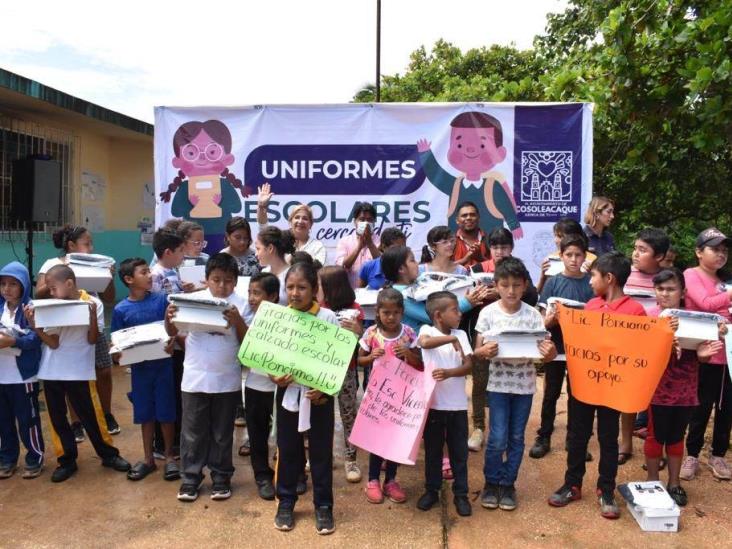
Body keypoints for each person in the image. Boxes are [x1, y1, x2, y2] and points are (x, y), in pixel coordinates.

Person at [548, 251, 645, 519]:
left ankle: (606, 489)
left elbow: (639, 348)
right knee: (578, 435)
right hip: (584, 385)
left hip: (612, 388)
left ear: (609, 278)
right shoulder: (590, 306)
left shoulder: (635, 311)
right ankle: (572, 484)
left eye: (594, 275)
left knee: (607, 438)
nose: (590, 281)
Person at [27, 265, 130, 482]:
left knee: (92, 416)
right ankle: (67, 460)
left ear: (70, 284)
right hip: (52, 371)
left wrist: (91, 317)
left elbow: (92, 339)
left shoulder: (94, 304)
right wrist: (35, 326)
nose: (51, 293)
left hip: (79, 371)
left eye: (53, 288)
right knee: (57, 419)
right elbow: (53, 343)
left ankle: (108, 454)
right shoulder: (53, 306)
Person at [473, 258, 557, 511]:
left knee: (517, 437)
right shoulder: (487, 313)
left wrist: (550, 352)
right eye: (505, 285)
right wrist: (484, 350)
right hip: (497, 385)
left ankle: (508, 483)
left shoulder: (533, 315)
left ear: (525, 286)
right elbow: (477, 350)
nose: (511, 290)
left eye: (516, 285)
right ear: (496, 285)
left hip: (524, 386)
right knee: (497, 437)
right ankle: (491, 481)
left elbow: (546, 352)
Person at [166, 253, 247, 502]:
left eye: (228, 281)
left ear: (235, 281)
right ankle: (190, 478)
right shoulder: (191, 301)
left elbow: (248, 343)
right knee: (192, 432)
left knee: (222, 432)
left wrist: (238, 321)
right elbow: (172, 330)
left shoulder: (242, 304)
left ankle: (221, 477)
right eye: (217, 279)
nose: (222, 286)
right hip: (194, 377)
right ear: (207, 279)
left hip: (227, 379)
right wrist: (168, 317)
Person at [645, 268, 725, 506]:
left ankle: (674, 483)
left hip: (686, 389)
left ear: (683, 292)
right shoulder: (648, 317)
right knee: (654, 436)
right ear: (654, 291)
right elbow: (641, 354)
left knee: (677, 437)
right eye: (660, 289)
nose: (665, 293)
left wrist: (704, 353)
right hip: (655, 389)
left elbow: (703, 356)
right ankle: (651, 481)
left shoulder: (696, 320)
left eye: (671, 289)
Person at [36, 224, 121, 439]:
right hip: (65, 324)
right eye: (86, 243)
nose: (91, 248)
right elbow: (40, 293)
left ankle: (106, 414)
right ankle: (76, 422)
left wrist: (108, 275)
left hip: (92, 319)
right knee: (72, 376)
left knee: (103, 370)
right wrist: (65, 271)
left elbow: (109, 298)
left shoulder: (96, 263)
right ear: (71, 245)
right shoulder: (53, 263)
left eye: (91, 243)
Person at [272, 263, 338, 535]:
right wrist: (274, 375)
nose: (295, 293)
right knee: (288, 450)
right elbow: (268, 356)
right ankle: (286, 501)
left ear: (314, 289)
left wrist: (324, 389)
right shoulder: (277, 317)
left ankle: (323, 506)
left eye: (302, 287)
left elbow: (337, 360)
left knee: (321, 452)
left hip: (319, 396)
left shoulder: (328, 318)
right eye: (290, 287)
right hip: (288, 392)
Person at [467, 228, 538, 453]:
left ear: (511, 248)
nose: (500, 251)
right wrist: (478, 297)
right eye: (495, 247)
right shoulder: (477, 269)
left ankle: (503, 430)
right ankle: (478, 427)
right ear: (489, 248)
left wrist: (498, 294)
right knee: (480, 381)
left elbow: (533, 296)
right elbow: (464, 299)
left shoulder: (518, 270)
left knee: (505, 385)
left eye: (504, 246)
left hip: (514, 340)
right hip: (482, 331)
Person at [111, 258, 179, 482]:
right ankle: (148, 459)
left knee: (167, 412)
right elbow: (116, 342)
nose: (149, 275)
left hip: (163, 366)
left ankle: (169, 456)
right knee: (145, 415)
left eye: (149, 271)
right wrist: (117, 354)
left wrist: (171, 338)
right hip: (140, 371)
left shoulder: (161, 301)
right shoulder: (121, 310)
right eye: (143, 272)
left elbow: (171, 330)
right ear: (129, 279)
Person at [530, 235, 594, 460]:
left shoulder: (591, 283)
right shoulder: (553, 282)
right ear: (561, 256)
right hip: (555, 347)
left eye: (578, 255)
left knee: (577, 396)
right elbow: (541, 318)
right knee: (551, 393)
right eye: (569, 255)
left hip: (581, 349)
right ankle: (544, 436)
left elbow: (597, 318)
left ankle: (574, 440)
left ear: (585, 257)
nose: (574, 259)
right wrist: (552, 320)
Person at [358, 288, 422, 504]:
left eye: (395, 312)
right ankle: (373, 480)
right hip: (377, 397)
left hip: (401, 397)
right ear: (377, 312)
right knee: (377, 440)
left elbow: (419, 364)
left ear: (402, 312)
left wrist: (409, 354)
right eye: (386, 312)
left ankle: (391, 480)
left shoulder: (409, 334)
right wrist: (370, 357)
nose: (391, 317)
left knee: (395, 439)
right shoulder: (371, 334)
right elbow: (359, 360)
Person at [417, 112, 522, 238]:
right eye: (460, 145)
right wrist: (425, 155)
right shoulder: (455, 185)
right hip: (460, 252)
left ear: (500, 153)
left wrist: (514, 225)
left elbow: (506, 206)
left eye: (482, 146)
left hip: (489, 250)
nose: (470, 150)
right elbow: (435, 175)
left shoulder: (493, 186)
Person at [416, 291, 475, 517]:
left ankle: (461, 494)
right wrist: (452, 339)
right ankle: (432, 490)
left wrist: (450, 372)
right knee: (432, 452)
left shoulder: (462, 333)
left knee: (459, 453)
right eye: (455, 310)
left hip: (457, 406)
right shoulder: (427, 330)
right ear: (439, 315)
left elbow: (469, 366)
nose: (460, 314)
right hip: (434, 406)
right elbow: (425, 343)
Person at [680, 228, 732, 481]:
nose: (721, 254)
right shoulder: (690, 275)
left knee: (727, 406)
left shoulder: (727, 280)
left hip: (728, 353)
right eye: (715, 249)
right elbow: (705, 303)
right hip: (703, 353)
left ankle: (718, 454)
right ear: (699, 252)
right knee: (700, 405)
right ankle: (691, 453)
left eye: (724, 250)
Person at [619, 228, 670, 465]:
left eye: (643, 250)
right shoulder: (623, 275)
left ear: (659, 256)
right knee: (628, 397)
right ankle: (625, 443)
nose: (635, 254)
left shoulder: (668, 279)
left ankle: (655, 448)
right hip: (627, 346)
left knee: (655, 400)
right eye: (635, 248)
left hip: (656, 348)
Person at [159, 119, 248, 254]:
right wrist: (193, 204)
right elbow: (176, 211)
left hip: (221, 235)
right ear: (178, 161)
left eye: (212, 152)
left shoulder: (224, 184)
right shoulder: (185, 186)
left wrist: (218, 203)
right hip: (192, 239)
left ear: (227, 158)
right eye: (191, 153)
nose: (201, 159)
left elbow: (237, 207)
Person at [318, 266, 364, 484]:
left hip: (347, 370)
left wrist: (358, 330)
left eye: (320, 284)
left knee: (348, 413)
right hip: (321, 370)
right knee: (321, 413)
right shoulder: (318, 309)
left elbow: (363, 344)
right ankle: (320, 455)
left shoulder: (355, 309)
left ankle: (351, 458)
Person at [0, 262, 44, 479]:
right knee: (3, 421)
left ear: (24, 286)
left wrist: (12, 341)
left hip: (23, 376)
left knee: (28, 420)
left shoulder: (31, 309)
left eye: (13, 284)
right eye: (3, 284)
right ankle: (7, 459)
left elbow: (36, 339)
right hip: (1, 376)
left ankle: (35, 457)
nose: (7, 289)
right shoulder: (0, 308)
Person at [150, 228, 191, 460]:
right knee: (167, 394)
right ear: (168, 252)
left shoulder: (172, 272)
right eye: (180, 251)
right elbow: (159, 313)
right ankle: (162, 442)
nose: (183, 256)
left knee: (176, 392)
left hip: (179, 343)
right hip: (168, 344)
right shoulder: (156, 276)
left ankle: (175, 439)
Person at [380, 246, 487, 332]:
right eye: (412, 261)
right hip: (418, 350)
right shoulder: (399, 296)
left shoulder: (420, 281)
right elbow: (430, 316)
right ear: (401, 269)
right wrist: (466, 303)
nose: (417, 263)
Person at [241, 272, 280, 500]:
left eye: (257, 293)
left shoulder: (286, 320)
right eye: (249, 293)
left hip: (280, 388)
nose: (251, 298)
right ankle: (262, 475)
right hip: (255, 386)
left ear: (273, 296)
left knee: (286, 434)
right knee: (257, 434)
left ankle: (288, 474)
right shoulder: (249, 319)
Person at [257, 183, 327, 265]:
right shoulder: (280, 240)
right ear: (290, 221)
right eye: (297, 217)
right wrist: (261, 207)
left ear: (311, 224)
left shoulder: (317, 247)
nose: (300, 221)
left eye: (305, 218)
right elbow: (264, 230)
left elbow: (319, 269)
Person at [536, 218, 596, 294]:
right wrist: (543, 277)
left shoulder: (592, 260)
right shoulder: (550, 259)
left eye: (560, 236)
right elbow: (538, 294)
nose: (556, 240)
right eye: (555, 236)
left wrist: (592, 275)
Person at [335, 202, 381, 288]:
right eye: (362, 219)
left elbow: (383, 265)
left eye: (369, 220)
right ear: (355, 221)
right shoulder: (344, 241)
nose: (366, 223)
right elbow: (342, 267)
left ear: (374, 222)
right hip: (350, 293)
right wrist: (359, 247)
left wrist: (370, 244)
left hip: (374, 294)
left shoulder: (380, 241)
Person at [255, 226, 296, 305]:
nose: (256, 254)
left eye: (258, 249)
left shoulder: (291, 275)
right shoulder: (264, 272)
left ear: (270, 248)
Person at [452, 201, 489, 268]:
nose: (468, 218)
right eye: (464, 215)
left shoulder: (490, 240)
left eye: (472, 215)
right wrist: (464, 260)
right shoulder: (450, 242)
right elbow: (443, 269)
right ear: (457, 220)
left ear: (478, 218)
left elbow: (500, 268)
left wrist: (480, 258)